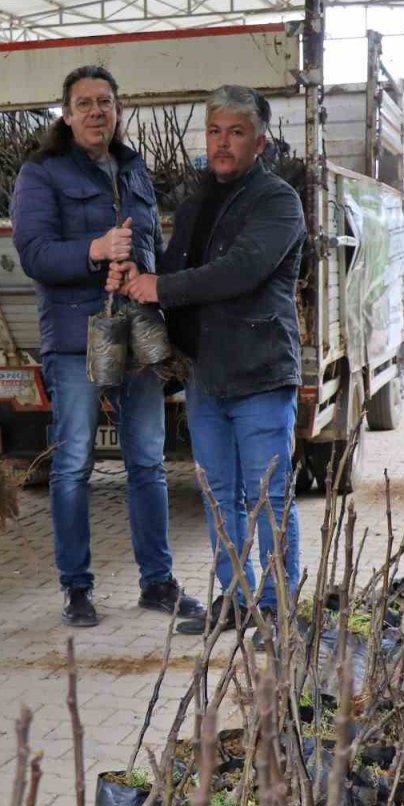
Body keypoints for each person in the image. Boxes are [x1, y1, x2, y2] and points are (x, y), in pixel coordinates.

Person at [11, 64, 205, 628]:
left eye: (106, 102)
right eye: (84, 103)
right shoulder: (41, 174)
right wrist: (95, 251)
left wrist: (145, 272)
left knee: (148, 460)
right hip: (76, 338)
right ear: (66, 116)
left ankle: (158, 582)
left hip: (138, 334)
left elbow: (152, 243)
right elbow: (35, 255)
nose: (97, 112)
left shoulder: (134, 168)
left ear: (118, 111)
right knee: (73, 465)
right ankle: (76, 588)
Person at [114, 85, 306, 640]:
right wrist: (134, 276)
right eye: (216, 131)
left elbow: (241, 269)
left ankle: (276, 604)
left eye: (236, 132)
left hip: (259, 373)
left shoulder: (276, 201)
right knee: (221, 494)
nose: (223, 143)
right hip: (205, 376)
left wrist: (160, 286)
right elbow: (173, 267)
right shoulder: (198, 202)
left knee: (268, 496)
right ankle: (237, 597)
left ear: (260, 143)